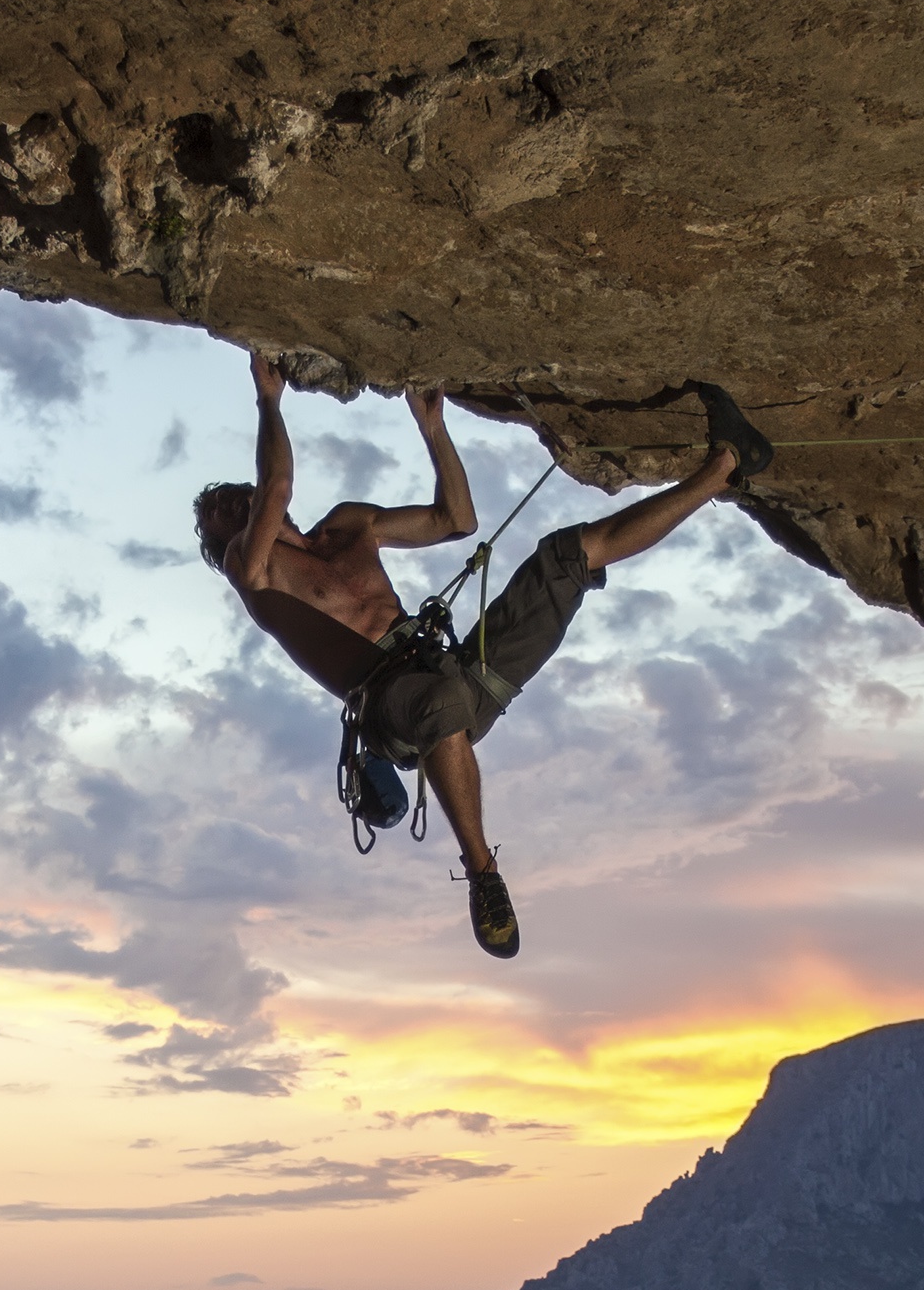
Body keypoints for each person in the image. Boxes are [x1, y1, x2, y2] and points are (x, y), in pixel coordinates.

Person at [196, 359, 773, 959]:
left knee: (569, 555)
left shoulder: (348, 526)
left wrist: (433, 430)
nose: (239, 519)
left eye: (236, 505)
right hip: (392, 704)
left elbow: (457, 519)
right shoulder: (256, 574)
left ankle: (728, 464)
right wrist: (269, 401)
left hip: (452, 671)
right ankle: (482, 874)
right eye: (225, 525)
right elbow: (279, 486)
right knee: (438, 705)